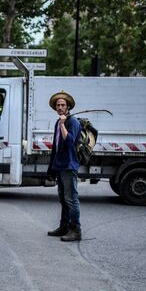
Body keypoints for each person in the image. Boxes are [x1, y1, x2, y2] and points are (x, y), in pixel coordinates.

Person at [47, 91, 82, 242]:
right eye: (58, 105)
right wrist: (51, 167)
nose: (60, 107)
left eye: (63, 105)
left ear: (68, 107)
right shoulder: (57, 122)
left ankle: (76, 230)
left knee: (71, 198)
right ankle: (64, 226)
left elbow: (70, 142)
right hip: (60, 166)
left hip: (69, 165)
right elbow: (56, 146)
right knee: (63, 198)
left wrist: (62, 125)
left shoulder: (72, 122)